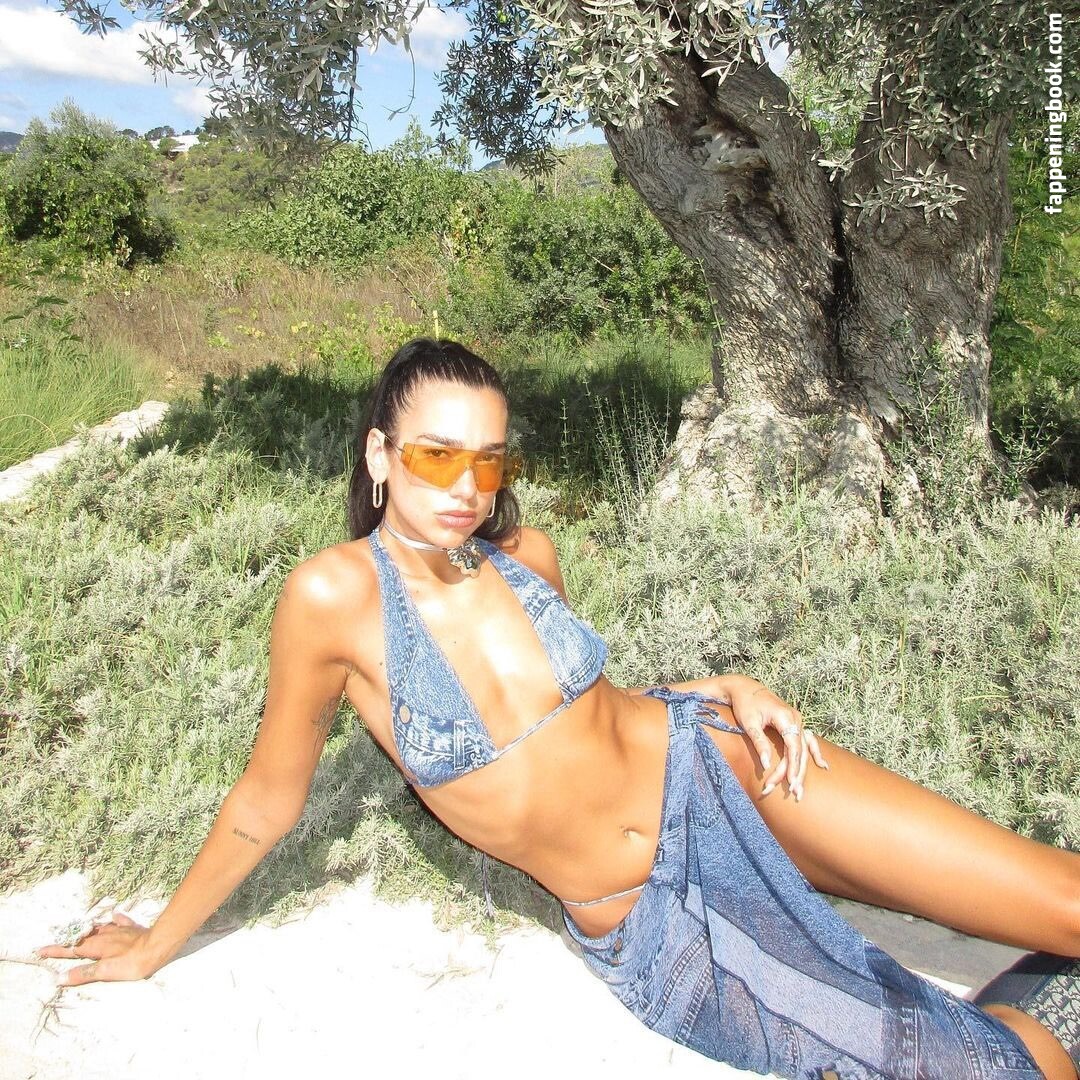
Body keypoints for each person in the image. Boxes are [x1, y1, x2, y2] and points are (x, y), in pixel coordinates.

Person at [38, 338, 1079, 1079]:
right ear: (379, 454)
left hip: (722, 768)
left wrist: (719, 688)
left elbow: (587, 713)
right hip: (652, 919)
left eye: (489, 461)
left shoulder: (525, 555)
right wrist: (157, 943)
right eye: (436, 454)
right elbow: (268, 801)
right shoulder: (333, 598)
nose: (468, 485)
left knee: (1064, 905)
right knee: (1003, 1065)